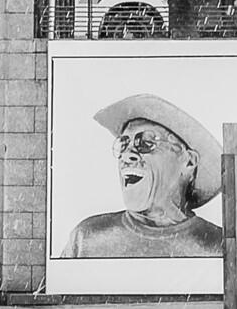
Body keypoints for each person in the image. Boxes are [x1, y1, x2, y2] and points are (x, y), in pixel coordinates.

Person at [61, 93, 224, 258]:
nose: (127, 155)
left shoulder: (218, 245)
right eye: (123, 144)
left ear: (189, 162)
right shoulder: (86, 239)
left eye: (146, 142)